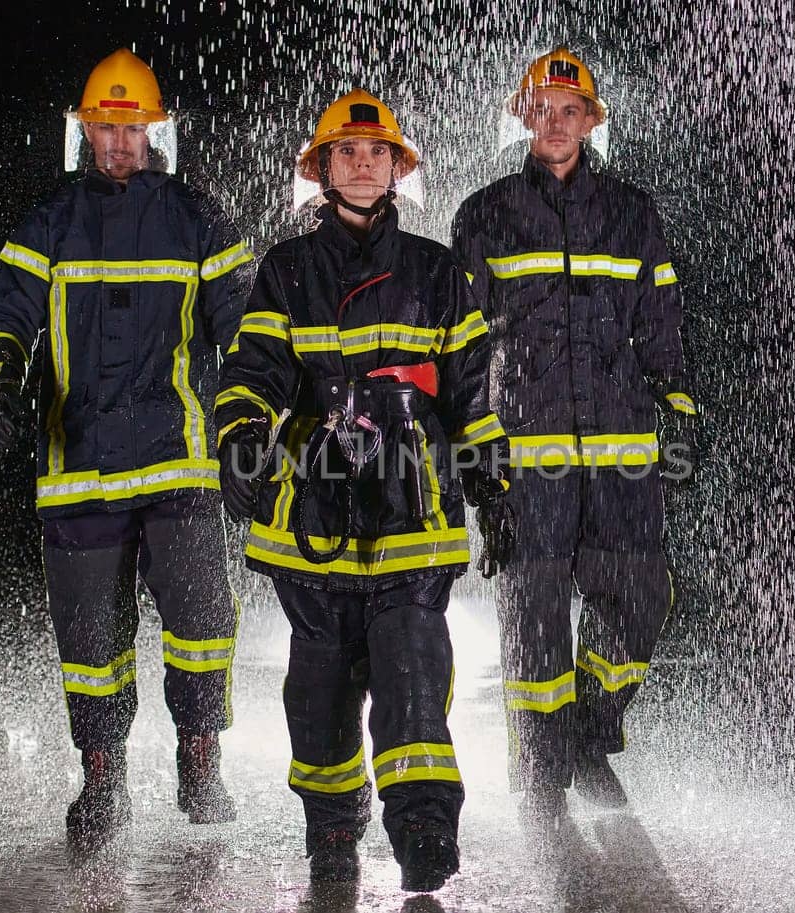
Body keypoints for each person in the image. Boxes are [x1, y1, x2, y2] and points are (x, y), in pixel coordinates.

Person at [213, 88, 511, 891]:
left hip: (411, 514)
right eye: (346, 153)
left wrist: (492, 481)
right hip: (312, 515)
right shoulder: (286, 271)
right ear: (322, 169)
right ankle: (332, 830)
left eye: (376, 153)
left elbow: (473, 388)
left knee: (413, 667)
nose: (362, 164)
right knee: (320, 687)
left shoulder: (437, 272)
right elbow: (252, 371)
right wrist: (240, 437)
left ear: (396, 169)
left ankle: (421, 827)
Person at [0, 48, 254, 855]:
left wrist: (248, 422)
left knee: (203, 623)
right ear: (85, 130)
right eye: (106, 127)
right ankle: (102, 777)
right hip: (79, 468)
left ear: (153, 131)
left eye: (133, 129)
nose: (120, 143)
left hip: (179, 461)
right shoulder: (48, 223)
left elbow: (244, 328)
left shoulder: (198, 217)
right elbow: (9, 314)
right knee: (91, 640)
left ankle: (201, 757)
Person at [450, 47, 697, 825]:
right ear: (525, 117)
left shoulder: (632, 212)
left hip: (622, 446)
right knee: (535, 614)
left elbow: (659, 320)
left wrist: (680, 403)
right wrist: (475, 446)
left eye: (571, 109)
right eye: (543, 108)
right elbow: (459, 343)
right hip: (528, 448)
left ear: (591, 121)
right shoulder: (483, 214)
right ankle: (540, 767)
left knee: (643, 596)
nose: (555, 122)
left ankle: (589, 728)